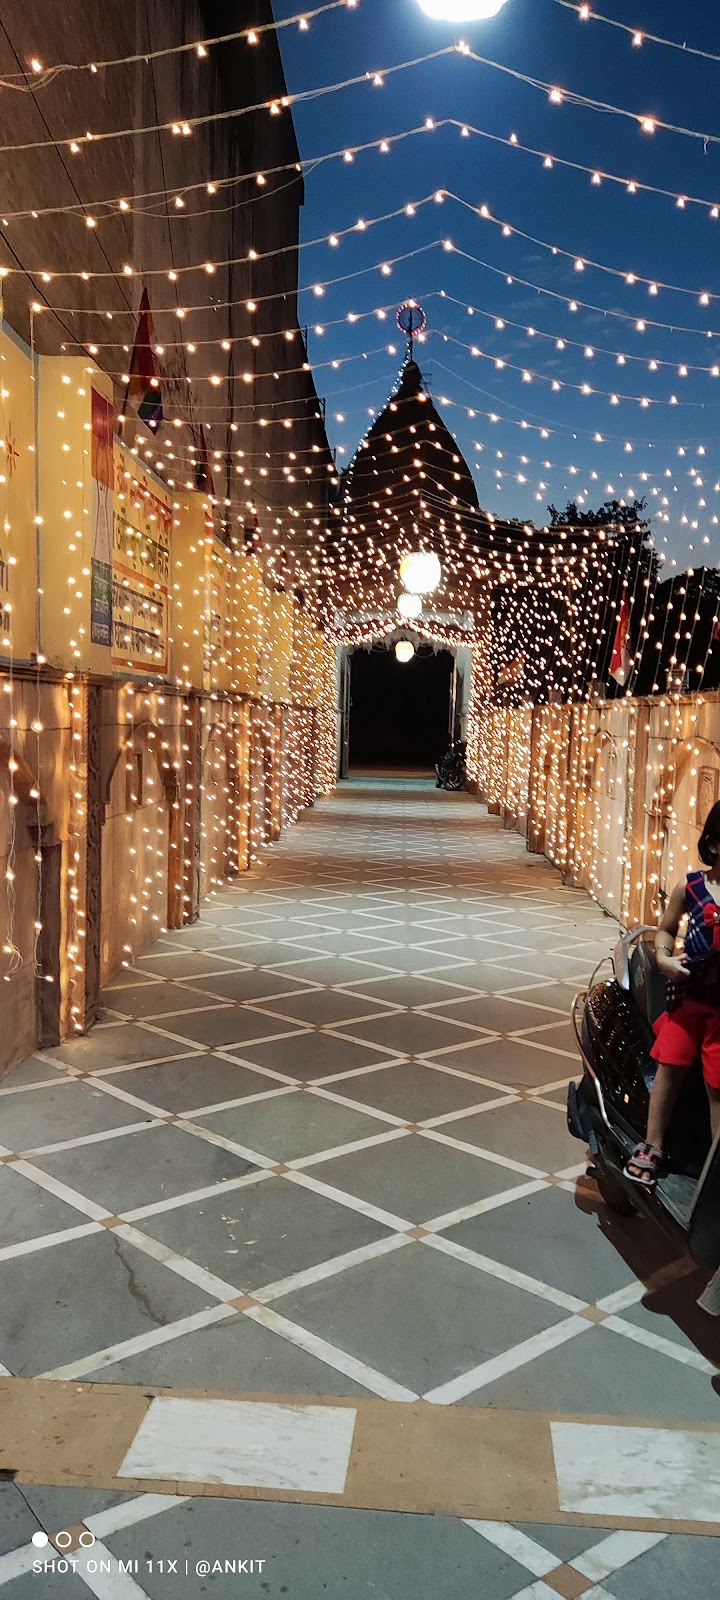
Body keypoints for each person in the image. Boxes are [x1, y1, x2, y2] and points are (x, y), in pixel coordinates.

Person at [625, 800, 720, 1187]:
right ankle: (652, 1143)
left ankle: (715, 1165)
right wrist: (663, 958)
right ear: (714, 846)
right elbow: (665, 929)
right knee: (670, 1069)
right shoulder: (693, 886)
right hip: (689, 1001)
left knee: (718, 1087)